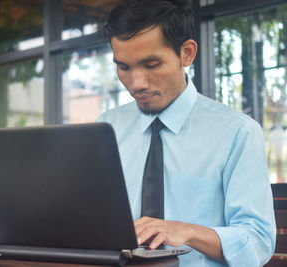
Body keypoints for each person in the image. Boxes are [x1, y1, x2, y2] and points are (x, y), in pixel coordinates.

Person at [96, 0, 276, 266]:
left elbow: (258, 241)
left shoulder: (237, 132)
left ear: (187, 53)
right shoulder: (106, 127)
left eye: (152, 64)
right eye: (123, 67)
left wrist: (188, 231)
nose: (137, 84)